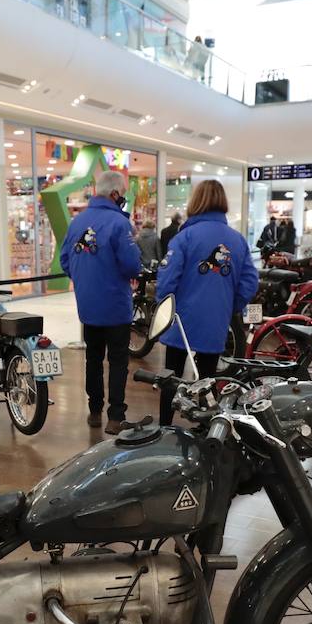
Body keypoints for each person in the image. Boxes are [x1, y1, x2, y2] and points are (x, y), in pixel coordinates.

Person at [155, 179, 259, 426]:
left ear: (196, 201)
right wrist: (231, 306)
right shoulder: (237, 240)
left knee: (172, 376)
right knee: (208, 378)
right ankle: (206, 432)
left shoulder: (184, 237)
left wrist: (165, 307)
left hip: (181, 319)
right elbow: (250, 282)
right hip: (215, 319)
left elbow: (167, 279)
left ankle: (165, 426)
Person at [60, 169, 141, 434]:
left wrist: (84, 278)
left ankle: (94, 410)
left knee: (93, 359)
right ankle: (115, 416)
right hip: (116, 306)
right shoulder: (120, 224)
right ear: (115, 193)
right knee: (118, 360)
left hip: (88, 306)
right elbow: (131, 265)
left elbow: (65, 260)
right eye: (123, 193)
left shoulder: (77, 222)